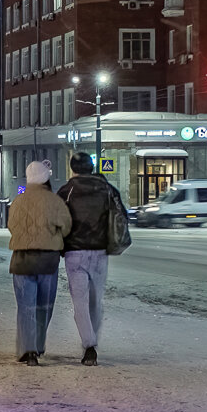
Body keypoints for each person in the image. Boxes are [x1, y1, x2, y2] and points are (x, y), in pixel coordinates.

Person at [7, 160, 71, 366]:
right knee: (44, 306)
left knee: (26, 306)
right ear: (46, 177)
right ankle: (38, 346)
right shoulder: (54, 201)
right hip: (47, 260)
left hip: (22, 259)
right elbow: (67, 226)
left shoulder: (18, 201)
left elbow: (12, 226)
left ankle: (28, 350)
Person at [57, 152, 115, 366]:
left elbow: (58, 220)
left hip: (75, 253)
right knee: (96, 300)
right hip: (100, 251)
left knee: (80, 301)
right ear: (91, 167)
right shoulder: (106, 188)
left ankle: (89, 346)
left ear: (73, 169)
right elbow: (120, 215)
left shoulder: (66, 191)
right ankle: (92, 341)